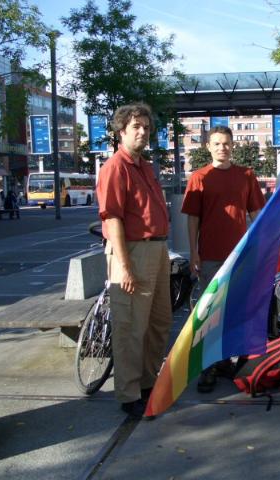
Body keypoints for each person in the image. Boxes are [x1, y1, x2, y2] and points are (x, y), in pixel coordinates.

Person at [96, 103, 173, 418]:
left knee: (159, 323)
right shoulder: (115, 167)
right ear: (121, 132)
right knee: (131, 327)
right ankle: (129, 395)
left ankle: (146, 383)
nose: (142, 132)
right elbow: (112, 218)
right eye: (136, 127)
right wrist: (124, 266)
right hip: (132, 251)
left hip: (157, 250)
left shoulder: (144, 166)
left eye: (146, 127)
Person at [182, 125, 266, 393]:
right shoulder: (199, 177)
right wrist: (193, 251)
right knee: (209, 314)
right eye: (217, 143)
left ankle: (230, 361)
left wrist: (262, 246)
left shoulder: (246, 176)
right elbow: (192, 218)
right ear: (209, 147)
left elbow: (258, 214)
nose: (222, 148)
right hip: (210, 256)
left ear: (233, 145)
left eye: (226, 143)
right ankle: (207, 368)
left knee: (236, 311)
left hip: (240, 257)